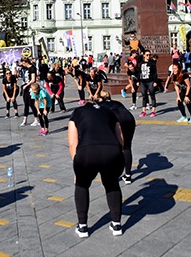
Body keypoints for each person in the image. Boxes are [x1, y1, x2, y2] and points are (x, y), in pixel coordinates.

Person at [68, 100, 125, 238]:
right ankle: (116, 224)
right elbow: (121, 139)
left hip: (87, 151)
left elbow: (72, 143)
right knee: (112, 184)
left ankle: (83, 227)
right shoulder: (109, 112)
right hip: (112, 151)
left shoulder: (77, 112)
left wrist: (77, 168)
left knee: (82, 184)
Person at [98, 91, 135, 184]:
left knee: (112, 148)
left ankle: (112, 175)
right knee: (127, 147)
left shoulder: (100, 105)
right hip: (128, 117)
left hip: (116, 118)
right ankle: (128, 176)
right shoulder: (117, 102)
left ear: (100, 98)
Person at [137, 50, 159, 118]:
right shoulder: (140, 63)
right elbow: (139, 73)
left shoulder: (152, 63)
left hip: (150, 81)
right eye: (147, 55)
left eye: (149, 55)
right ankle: (144, 111)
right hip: (143, 81)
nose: (148, 56)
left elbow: (155, 73)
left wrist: (155, 81)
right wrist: (138, 81)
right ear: (144, 55)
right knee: (144, 96)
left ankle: (153, 111)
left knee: (152, 95)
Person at [19, 57, 39, 127]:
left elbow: (33, 79)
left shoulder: (32, 68)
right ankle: (25, 119)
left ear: (25, 62)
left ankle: (36, 119)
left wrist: (27, 85)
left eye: (23, 62)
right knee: (26, 104)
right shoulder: (25, 69)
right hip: (25, 88)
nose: (22, 64)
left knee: (31, 103)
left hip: (31, 88)